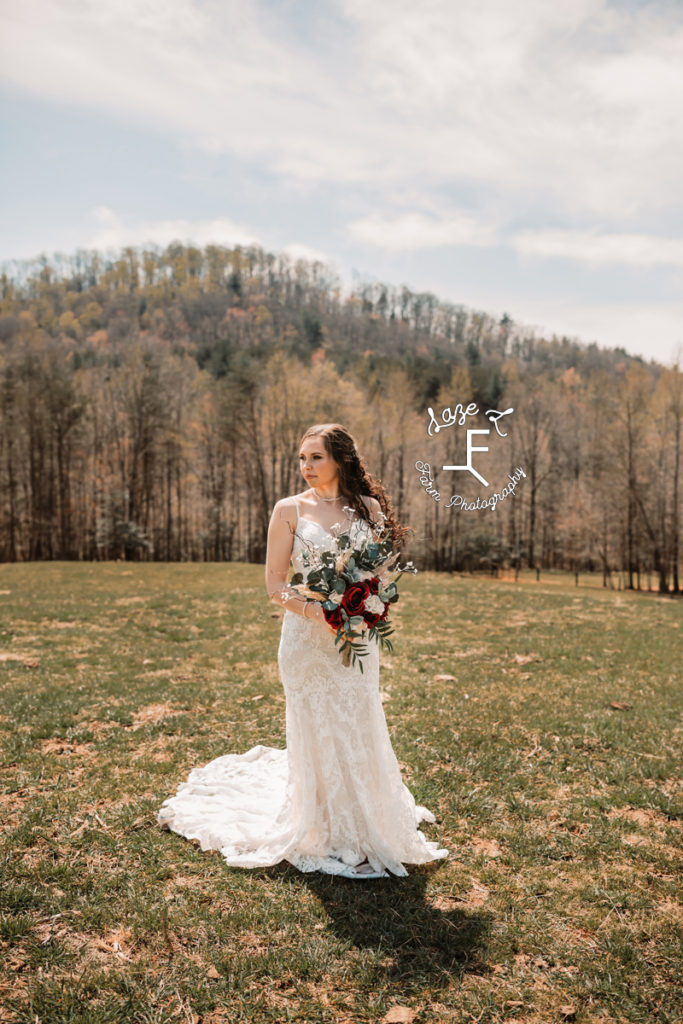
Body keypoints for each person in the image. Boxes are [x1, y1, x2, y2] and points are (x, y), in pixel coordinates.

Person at [157, 423, 448, 879]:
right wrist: (319, 613)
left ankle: (363, 816)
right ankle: (318, 820)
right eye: (302, 458)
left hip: (356, 636)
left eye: (316, 457)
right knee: (315, 722)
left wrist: (371, 598)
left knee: (357, 717)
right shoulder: (288, 509)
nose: (306, 466)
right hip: (307, 640)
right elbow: (275, 584)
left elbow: (383, 570)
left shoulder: (367, 508)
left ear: (340, 459)